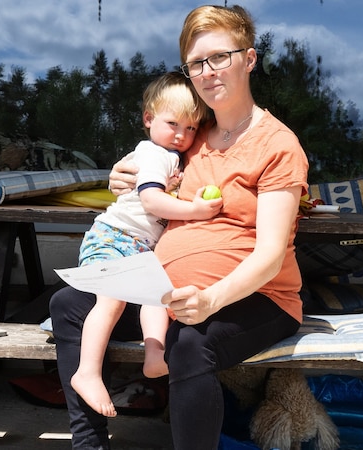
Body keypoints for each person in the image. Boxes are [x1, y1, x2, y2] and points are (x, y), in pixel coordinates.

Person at [50, 4, 308, 449]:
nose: (208, 72)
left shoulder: (278, 145)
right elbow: (145, 172)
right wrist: (121, 174)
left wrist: (210, 299)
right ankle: (89, 446)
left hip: (257, 300)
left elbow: (269, 257)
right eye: (196, 64)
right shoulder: (188, 138)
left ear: (249, 59)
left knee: (190, 345)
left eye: (219, 57)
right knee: (68, 304)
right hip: (168, 296)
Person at [70, 71, 221, 418]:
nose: (181, 135)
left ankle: (154, 357)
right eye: (173, 124)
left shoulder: (171, 156)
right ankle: (87, 371)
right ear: (148, 119)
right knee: (112, 299)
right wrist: (195, 210)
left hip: (137, 246)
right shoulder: (154, 153)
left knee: (157, 297)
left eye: (191, 128)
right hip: (113, 237)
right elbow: (152, 202)